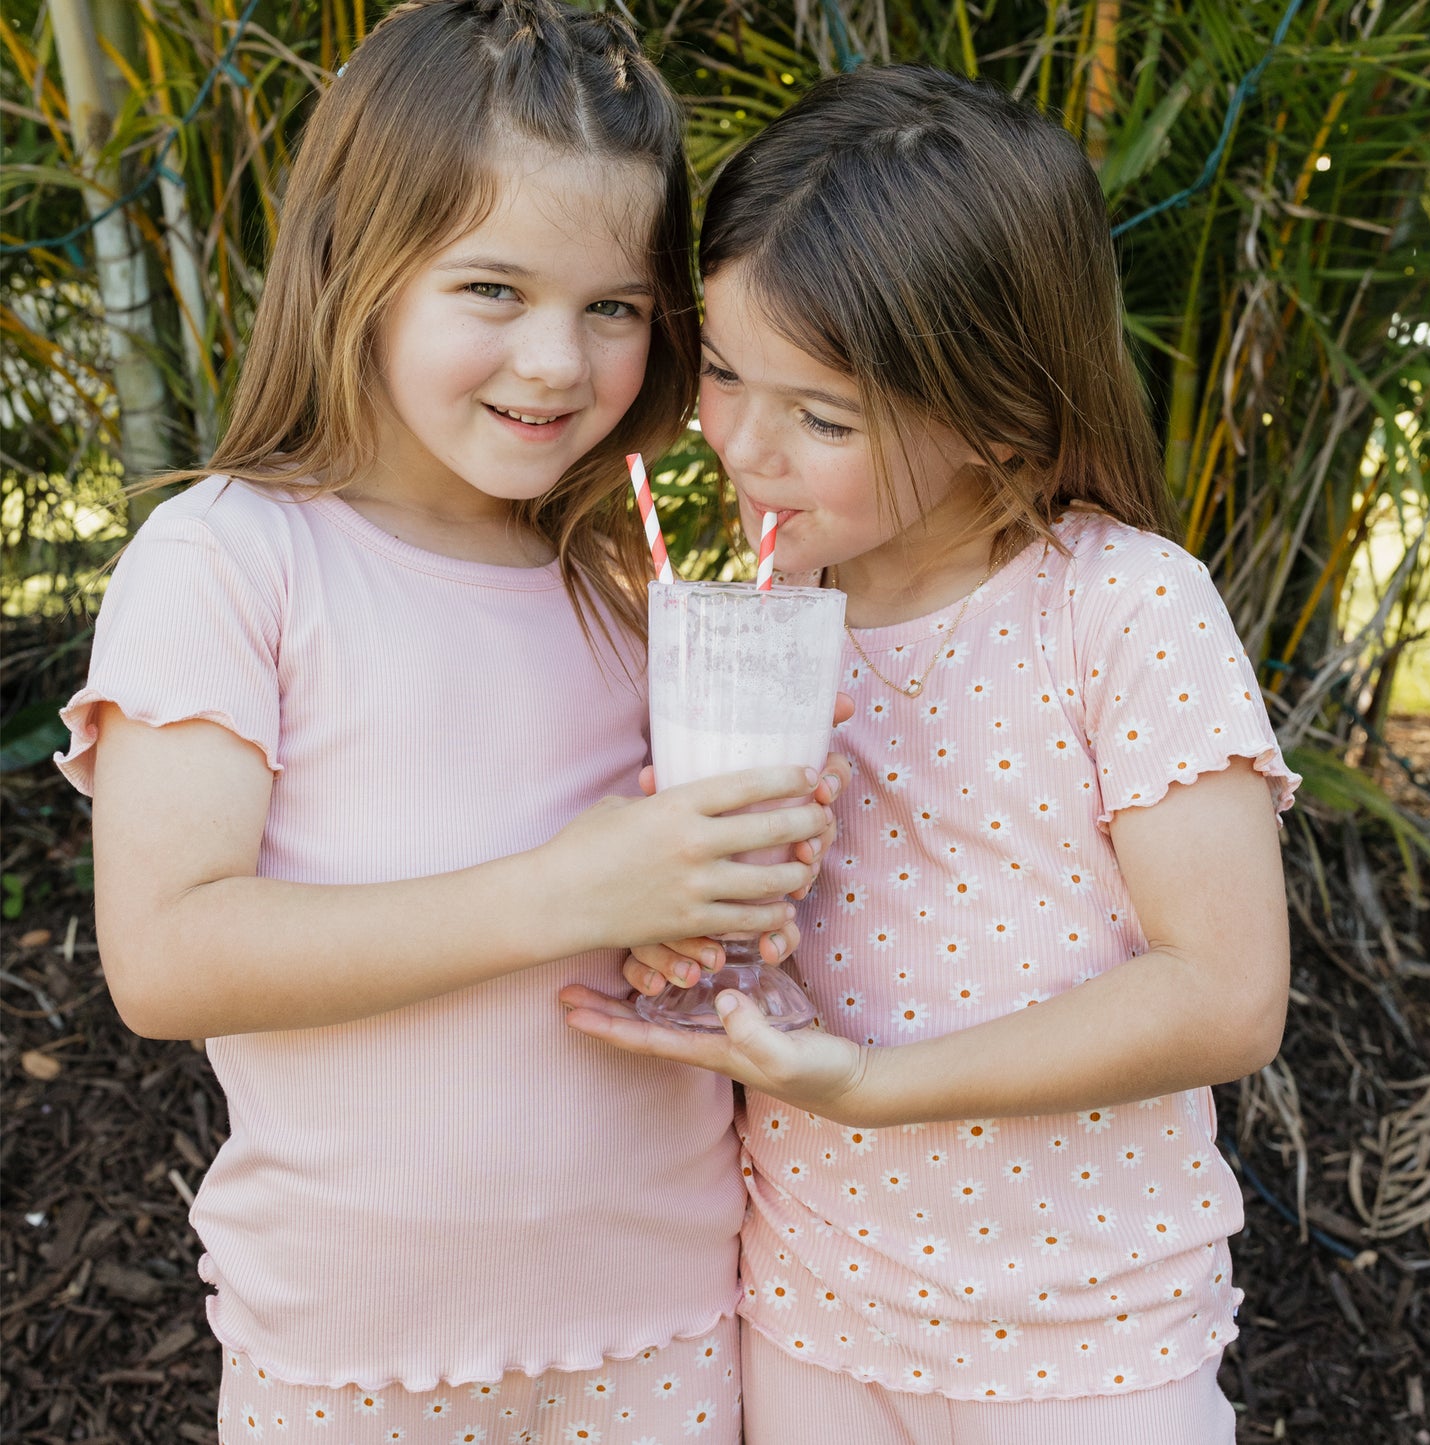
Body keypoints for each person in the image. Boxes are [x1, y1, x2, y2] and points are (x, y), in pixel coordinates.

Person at [54, 3, 849, 1438]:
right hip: (355, 1346)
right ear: (360, 264)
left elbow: (637, 902)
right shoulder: (233, 560)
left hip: (665, 1312)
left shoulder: (619, 581)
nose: (556, 362)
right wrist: (567, 888)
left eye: (611, 307)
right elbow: (167, 957)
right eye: (491, 287)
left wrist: (675, 912)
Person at [562, 65, 1298, 1444]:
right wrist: (689, 933)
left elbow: (1225, 994)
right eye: (720, 370)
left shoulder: (1119, 606)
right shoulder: (762, 629)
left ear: (999, 416)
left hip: (1089, 1337)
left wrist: (874, 1086)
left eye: (820, 416)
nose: (740, 443)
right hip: (813, 1305)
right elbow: (761, 931)